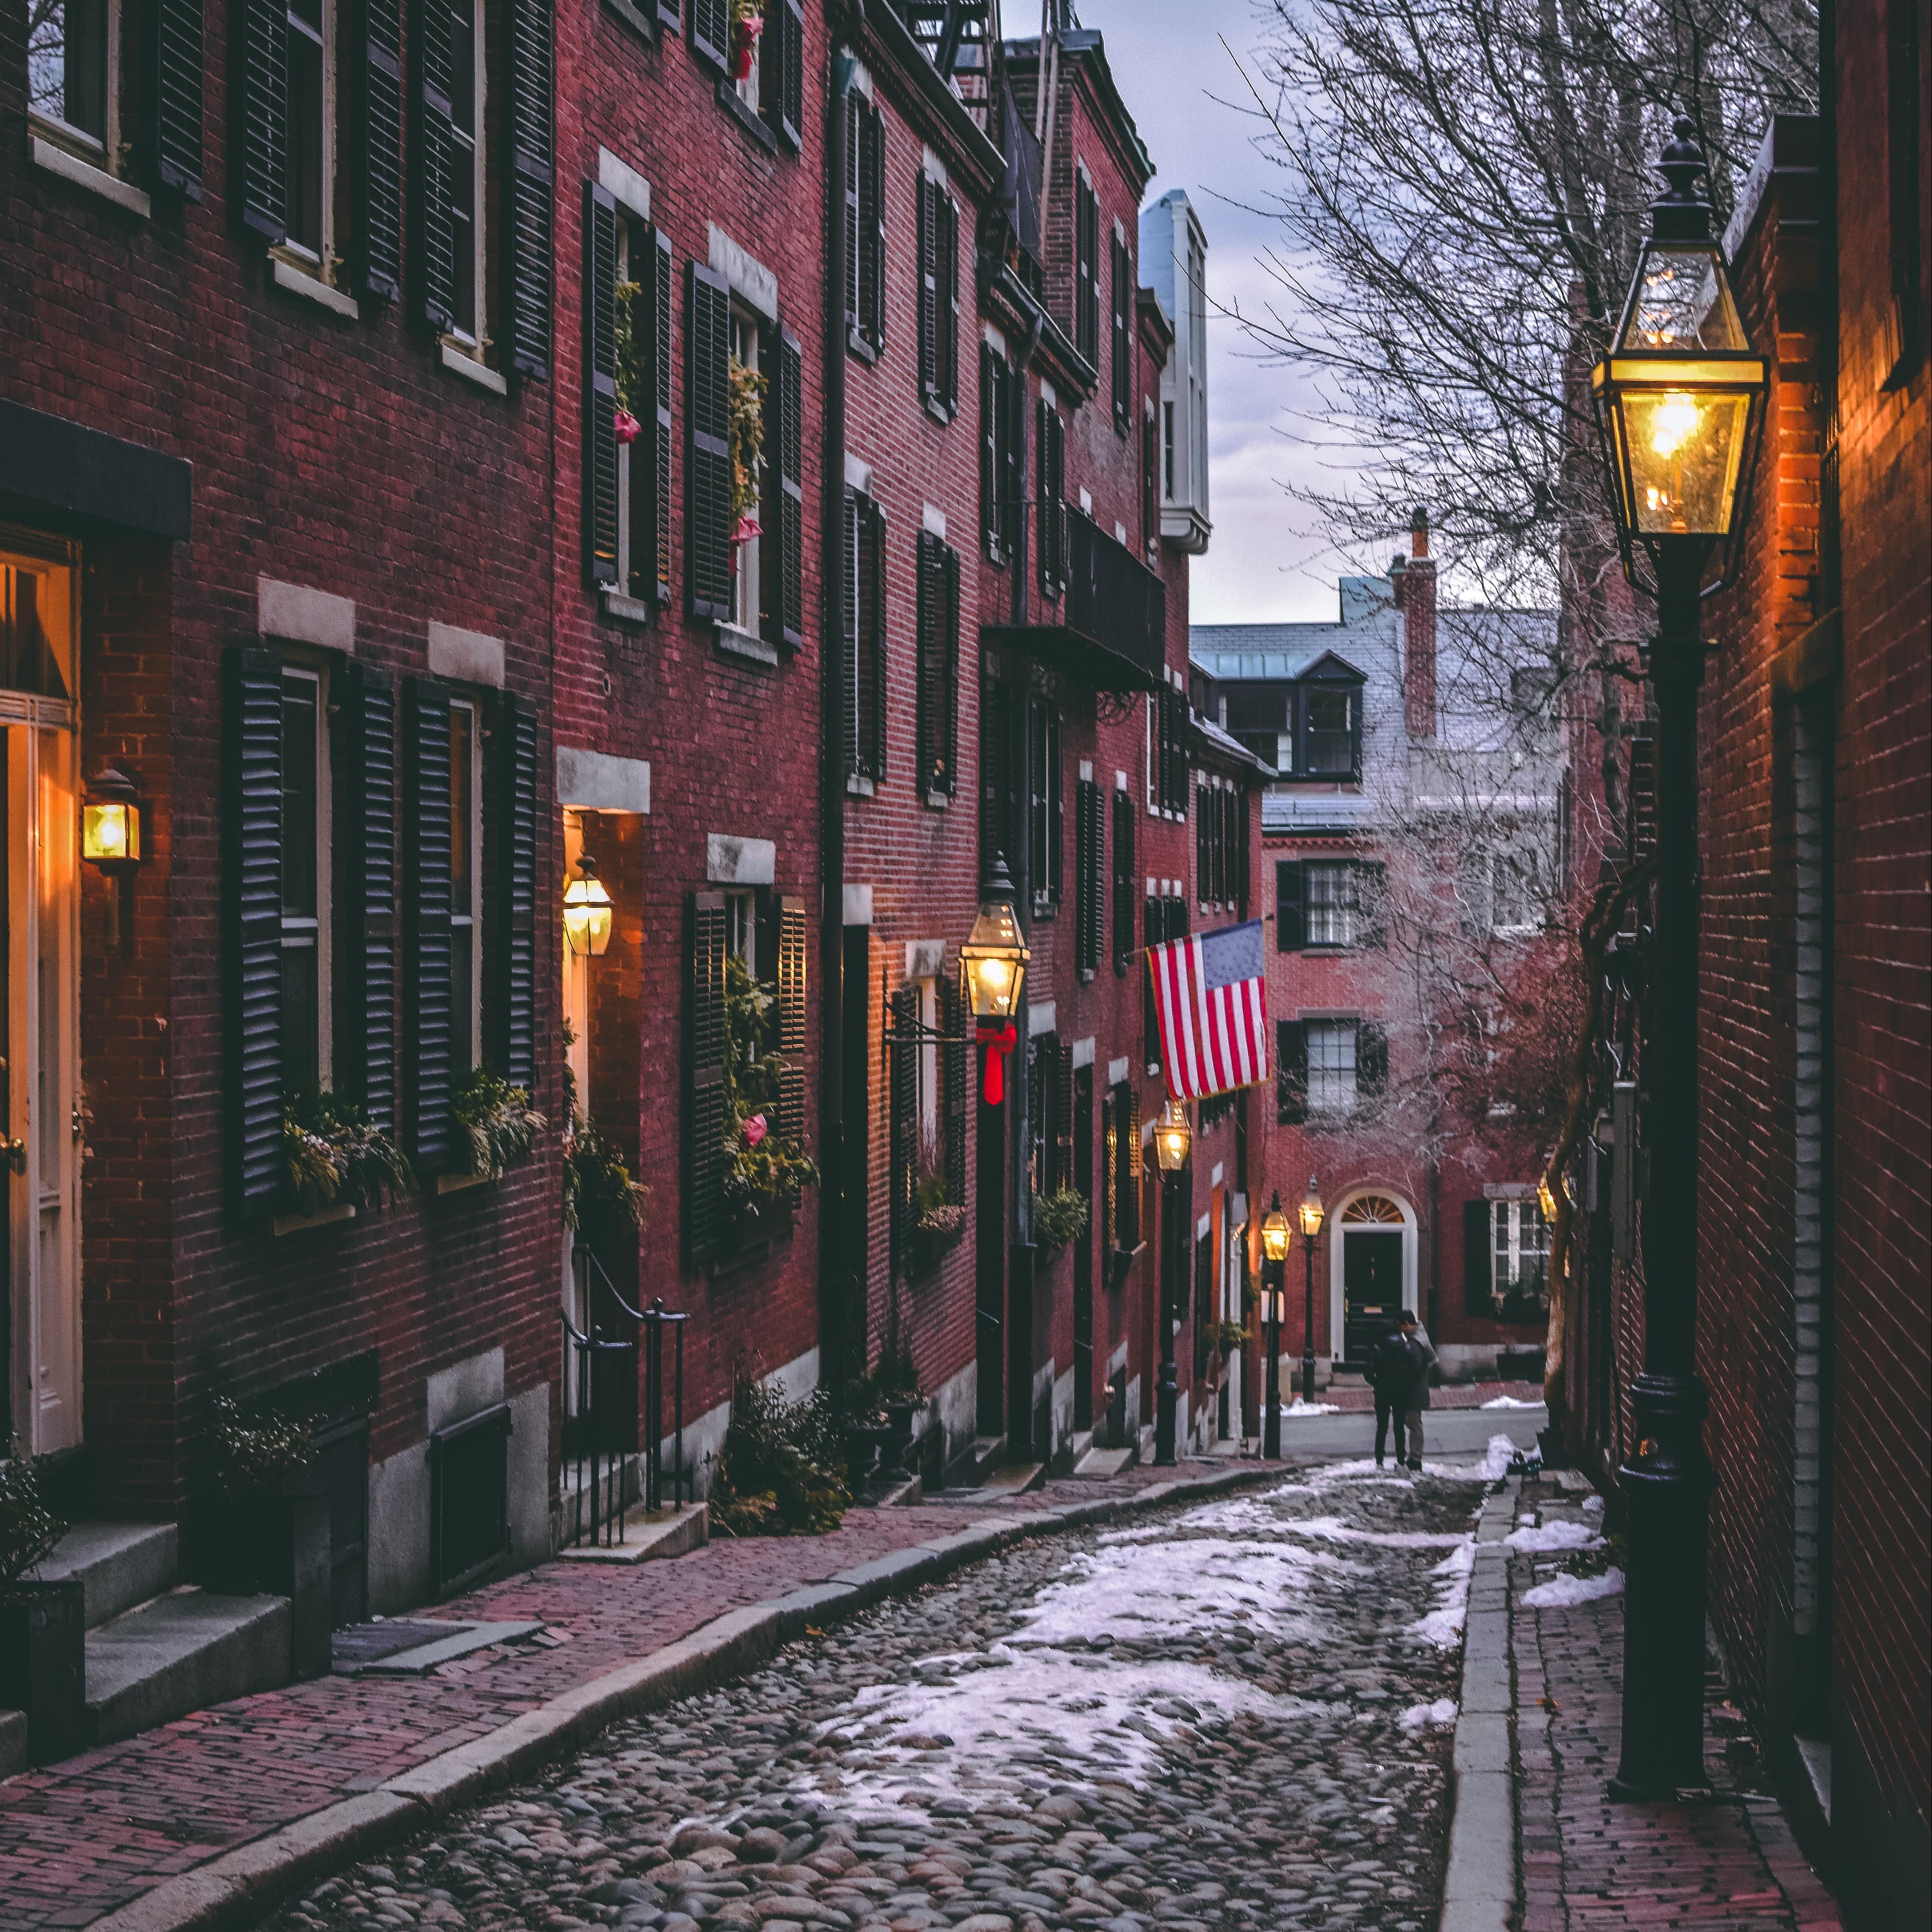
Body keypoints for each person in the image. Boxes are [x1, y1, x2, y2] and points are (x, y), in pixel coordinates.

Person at [1366, 1314, 1422, 1467]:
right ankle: (1401, 1460)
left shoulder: (1377, 1348)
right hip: (1401, 1391)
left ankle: (1379, 1460)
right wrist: (1406, 1382)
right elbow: (1415, 1369)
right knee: (1399, 1427)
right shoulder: (1406, 1347)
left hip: (1382, 1392)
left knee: (1382, 1426)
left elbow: (1368, 1373)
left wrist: (1377, 1383)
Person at [1403, 1314, 1438, 1471]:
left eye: (1401, 1326)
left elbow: (1415, 1369)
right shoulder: (1419, 1337)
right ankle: (1414, 1457)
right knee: (1413, 1423)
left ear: (1407, 1324)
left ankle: (1416, 1459)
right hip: (1416, 1390)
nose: (1401, 1330)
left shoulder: (1415, 1343)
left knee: (1414, 1424)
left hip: (1414, 1391)